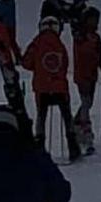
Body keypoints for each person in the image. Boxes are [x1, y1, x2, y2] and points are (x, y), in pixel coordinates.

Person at [22, 16, 81, 161]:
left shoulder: (36, 43)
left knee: (41, 117)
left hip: (42, 88)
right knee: (67, 117)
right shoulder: (59, 44)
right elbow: (65, 64)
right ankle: (73, 146)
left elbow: (26, 63)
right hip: (60, 87)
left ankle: (40, 147)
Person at [72, 7, 101, 155]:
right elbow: (85, 51)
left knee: (88, 102)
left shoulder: (95, 36)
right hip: (82, 74)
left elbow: (97, 56)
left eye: (95, 19)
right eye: (91, 19)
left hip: (92, 75)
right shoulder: (81, 34)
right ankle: (86, 134)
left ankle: (76, 124)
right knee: (86, 103)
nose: (93, 22)